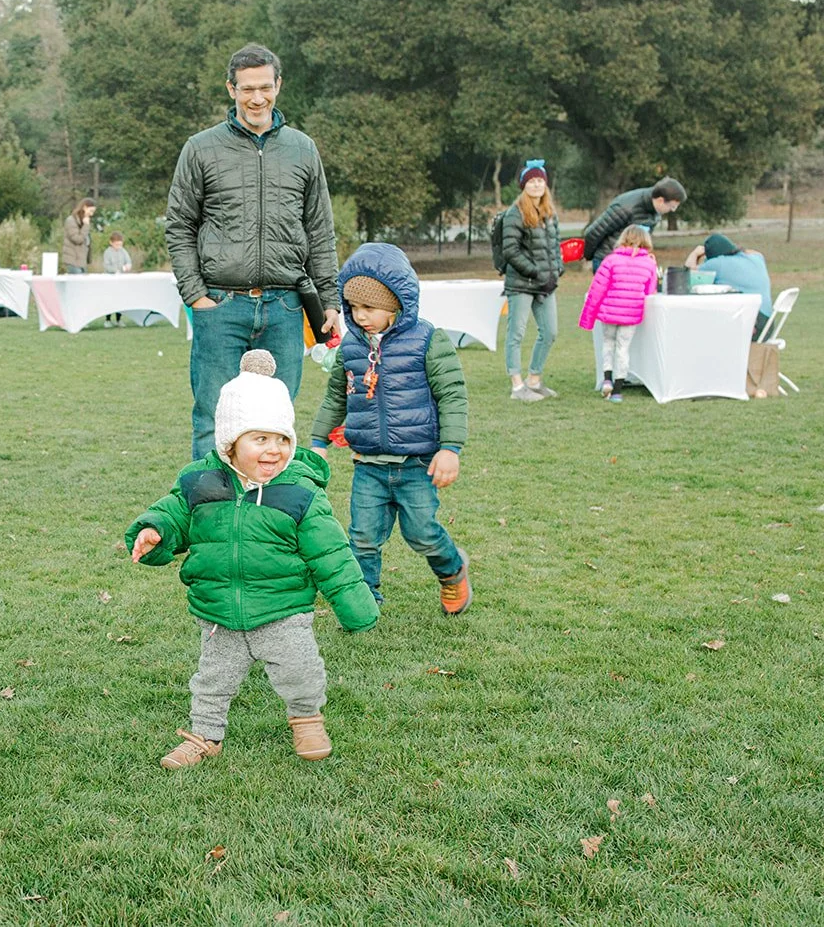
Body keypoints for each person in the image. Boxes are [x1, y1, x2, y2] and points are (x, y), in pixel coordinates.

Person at [127, 349, 378, 770]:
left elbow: (331, 555)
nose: (274, 450)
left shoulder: (300, 492)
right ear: (230, 441)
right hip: (219, 611)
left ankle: (306, 718)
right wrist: (155, 532)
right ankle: (205, 735)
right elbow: (174, 515)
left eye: (282, 440)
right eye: (260, 439)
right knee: (211, 681)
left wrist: (355, 607)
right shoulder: (200, 483)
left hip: (283, 610)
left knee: (299, 672)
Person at [166, 43, 342, 459]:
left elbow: (319, 229)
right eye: (247, 88)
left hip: (285, 307)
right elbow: (179, 224)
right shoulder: (201, 148)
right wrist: (196, 295)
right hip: (220, 305)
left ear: (278, 86)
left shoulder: (303, 149)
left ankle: (268, 513)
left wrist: (329, 297)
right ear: (231, 89)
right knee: (213, 415)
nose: (257, 97)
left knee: (276, 418)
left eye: (265, 87)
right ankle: (210, 512)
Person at [309, 244, 471, 611]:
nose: (359, 316)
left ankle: (452, 571)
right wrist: (319, 439)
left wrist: (451, 448)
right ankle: (365, 598)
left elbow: (453, 395)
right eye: (353, 308)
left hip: (417, 463)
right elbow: (337, 395)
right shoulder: (351, 346)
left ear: (396, 303)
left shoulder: (428, 340)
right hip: (368, 463)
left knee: (422, 534)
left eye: (369, 308)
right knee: (362, 536)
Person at [500, 160, 564, 401]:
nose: (537, 185)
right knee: (516, 333)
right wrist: (535, 271)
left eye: (540, 180)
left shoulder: (549, 212)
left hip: (546, 284)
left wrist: (557, 268)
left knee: (550, 332)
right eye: (532, 181)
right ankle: (517, 386)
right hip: (521, 284)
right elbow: (511, 250)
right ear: (524, 185)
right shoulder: (515, 213)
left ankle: (534, 379)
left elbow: (555, 245)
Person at [579, 225, 658, 402]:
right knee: (623, 348)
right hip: (631, 314)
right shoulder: (649, 263)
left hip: (610, 311)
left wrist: (588, 316)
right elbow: (650, 291)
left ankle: (607, 378)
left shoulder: (611, 260)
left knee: (608, 343)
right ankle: (617, 390)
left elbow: (597, 288)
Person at [581, 177, 687, 271]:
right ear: (660, 200)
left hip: (632, 263)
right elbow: (593, 232)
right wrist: (588, 256)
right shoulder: (626, 207)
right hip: (608, 261)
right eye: (672, 207)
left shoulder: (655, 212)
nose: (673, 210)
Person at [686, 233, 773, 339]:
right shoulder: (756, 258)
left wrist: (695, 254)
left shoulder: (718, 263)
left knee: (705, 327)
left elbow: (687, 275)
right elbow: (754, 252)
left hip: (752, 325)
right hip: (767, 325)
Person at [101, 230, 131, 327]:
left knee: (120, 300)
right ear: (111, 243)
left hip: (121, 280)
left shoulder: (123, 251)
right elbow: (107, 266)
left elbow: (128, 262)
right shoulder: (107, 252)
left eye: (120, 244)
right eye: (117, 244)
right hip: (109, 280)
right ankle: (108, 320)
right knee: (109, 300)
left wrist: (127, 266)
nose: (119, 246)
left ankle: (119, 320)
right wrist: (117, 270)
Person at [61, 198, 94, 274]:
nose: (92, 214)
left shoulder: (83, 222)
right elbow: (77, 239)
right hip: (73, 261)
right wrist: (86, 226)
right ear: (84, 207)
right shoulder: (71, 221)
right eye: (91, 211)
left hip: (82, 261)